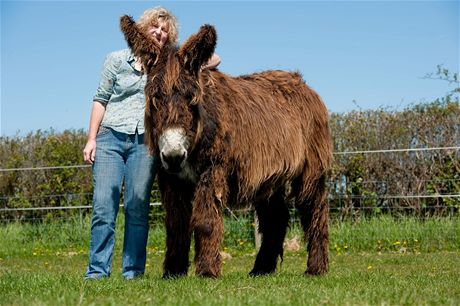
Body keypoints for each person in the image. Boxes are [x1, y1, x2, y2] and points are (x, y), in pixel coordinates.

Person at [83, 6, 220, 280]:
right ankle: (97, 271)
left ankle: (132, 272)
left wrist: (192, 62)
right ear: (144, 29)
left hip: (144, 144)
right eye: (154, 27)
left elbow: (214, 58)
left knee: (137, 207)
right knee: (103, 206)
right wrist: (92, 138)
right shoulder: (116, 60)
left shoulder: (171, 63)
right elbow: (101, 99)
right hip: (111, 136)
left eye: (164, 30)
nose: (159, 32)